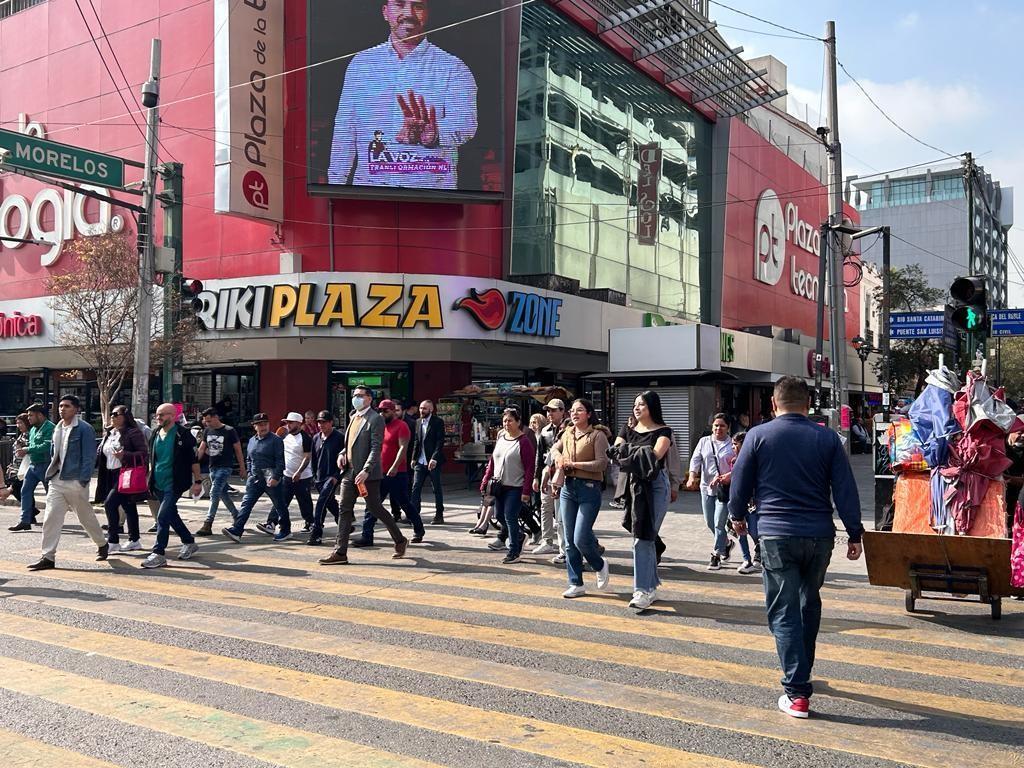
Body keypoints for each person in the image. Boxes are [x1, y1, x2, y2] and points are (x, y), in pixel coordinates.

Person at [727, 376, 864, 719]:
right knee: (808, 603)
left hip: (775, 536)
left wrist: (736, 518)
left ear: (774, 404)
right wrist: (855, 533)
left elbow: (739, 485)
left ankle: (797, 691)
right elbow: (845, 489)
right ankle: (800, 673)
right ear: (808, 405)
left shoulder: (758, 436)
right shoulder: (828, 438)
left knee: (783, 611)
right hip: (819, 536)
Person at [328, 0, 478, 190]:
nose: (408, 13)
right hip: (369, 194)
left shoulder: (453, 68)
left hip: (430, 197)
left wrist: (434, 134)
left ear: (427, 13)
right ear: (385, 12)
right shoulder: (361, 65)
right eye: (399, 4)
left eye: (418, 6)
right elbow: (345, 130)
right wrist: (335, 186)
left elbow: (466, 124)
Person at [319, 386, 409, 565]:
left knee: (375, 508)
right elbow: (349, 443)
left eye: (360, 396)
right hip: (349, 472)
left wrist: (366, 470)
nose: (356, 398)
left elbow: (376, 448)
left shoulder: (375, 419)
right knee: (345, 509)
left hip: (367, 475)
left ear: (369, 398)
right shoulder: (353, 417)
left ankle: (399, 539)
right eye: (354, 395)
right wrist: (342, 454)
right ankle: (340, 552)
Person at [609, 391, 672, 612]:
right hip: (634, 486)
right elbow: (616, 453)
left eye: (642, 405)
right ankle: (650, 587)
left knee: (643, 537)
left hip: (655, 486)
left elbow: (654, 456)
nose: (637, 408)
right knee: (645, 536)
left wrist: (628, 451)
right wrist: (633, 452)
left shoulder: (664, 431)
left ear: (652, 407)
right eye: (635, 404)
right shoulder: (627, 429)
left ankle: (642, 590)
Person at [28, 395, 107, 570]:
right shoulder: (58, 428)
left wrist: (83, 480)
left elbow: (89, 456)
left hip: (76, 480)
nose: (62, 409)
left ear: (77, 409)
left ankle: (102, 543)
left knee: (85, 517)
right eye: (61, 406)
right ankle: (47, 557)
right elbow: (53, 453)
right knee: (50, 518)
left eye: (67, 406)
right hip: (57, 480)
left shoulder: (84, 429)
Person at [549, 399, 610, 597]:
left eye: (580, 410)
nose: (575, 414)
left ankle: (599, 564)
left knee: (581, 538)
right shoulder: (567, 432)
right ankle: (576, 583)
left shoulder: (597, 435)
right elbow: (554, 449)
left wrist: (575, 465)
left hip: (589, 489)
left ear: (589, 414)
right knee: (568, 539)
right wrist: (559, 458)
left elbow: (602, 464)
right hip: (568, 488)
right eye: (573, 411)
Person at [140, 403, 203, 569]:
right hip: (158, 482)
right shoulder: (155, 434)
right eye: (157, 415)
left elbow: (194, 461)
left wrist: (198, 482)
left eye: (162, 415)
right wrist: (148, 478)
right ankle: (189, 541)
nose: (158, 418)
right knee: (171, 514)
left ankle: (159, 553)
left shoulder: (184, 435)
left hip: (174, 483)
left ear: (173, 416)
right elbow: (153, 459)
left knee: (162, 516)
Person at [356, 399, 424, 546]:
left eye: (385, 411)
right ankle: (367, 536)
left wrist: (394, 466)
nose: (382, 413)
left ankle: (419, 529)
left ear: (393, 411)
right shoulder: (379, 426)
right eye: (380, 411)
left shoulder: (402, 426)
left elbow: (403, 448)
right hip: (379, 472)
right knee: (373, 504)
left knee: (404, 502)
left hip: (397, 473)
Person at [479, 408, 536, 565]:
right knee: (499, 516)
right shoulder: (501, 438)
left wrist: (526, 490)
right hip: (499, 486)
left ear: (518, 422)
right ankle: (519, 535)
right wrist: (485, 480)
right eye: (504, 421)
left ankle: (514, 551)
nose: (506, 424)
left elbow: (530, 467)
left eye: (510, 420)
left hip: (515, 486)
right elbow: (492, 462)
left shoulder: (524, 442)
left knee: (510, 516)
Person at [223, 413, 288, 543]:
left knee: (279, 505)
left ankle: (286, 530)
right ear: (254, 427)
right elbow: (249, 459)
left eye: (265, 424)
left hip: (270, 475)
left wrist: (276, 476)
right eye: (260, 425)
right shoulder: (252, 440)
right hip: (255, 478)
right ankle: (237, 530)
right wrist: (249, 472)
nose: (263, 427)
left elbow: (280, 461)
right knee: (246, 504)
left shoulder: (276, 440)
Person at [687, 413, 736, 570]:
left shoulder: (732, 445)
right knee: (710, 522)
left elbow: (740, 464)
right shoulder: (704, 441)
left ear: (728, 428)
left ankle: (716, 555)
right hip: (707, 487)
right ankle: (727, 544)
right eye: (716, 425)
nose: (718, 428)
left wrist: (728, 476)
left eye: (722, 425)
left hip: (725, 488)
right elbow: (695, 459)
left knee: (718, 523)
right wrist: (692, 477)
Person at [98, 406, 149, 553]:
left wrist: (125, 455)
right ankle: (134, 540)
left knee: (110, 504)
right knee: (128, 506)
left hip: (125, 473)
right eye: (111, 414)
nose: (112, 417)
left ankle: (113, 540)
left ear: (125, 417)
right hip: (110, 473)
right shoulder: (110, 433)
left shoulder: (133, 432)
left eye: (116, 414)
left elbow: (143, 453)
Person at [258, 412, 315, 536]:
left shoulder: (305, 438)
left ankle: (310, 522)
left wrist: (299, 472)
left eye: (290, 422)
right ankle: (271, 523)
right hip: (286, 475)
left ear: (299, 423)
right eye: (287, 422)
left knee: (304, 501)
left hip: (302, 477)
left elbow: (307, 457)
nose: (287, 425)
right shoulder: (286, 436)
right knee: (280, 501)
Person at [195, 407, 245, 536]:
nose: (207, 423)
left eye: (209, 421)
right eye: (206, 421)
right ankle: (237, 516)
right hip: (213, 467)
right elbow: (202, 449)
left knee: (214, 492)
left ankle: (208, 523)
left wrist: (242, 467)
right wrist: (194, 463)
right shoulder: (207, 431)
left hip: (225, 467)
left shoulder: (229, 431)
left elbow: (238, 450)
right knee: (222, 494)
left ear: (216, 417)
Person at [9, 403, 53, 531]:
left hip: (46, 465)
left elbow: (47, 446)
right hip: (33, 465)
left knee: (50, 495)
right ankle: (25, 521)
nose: (28, 418)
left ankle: (52, 520)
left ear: (40, 415)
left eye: (31, 415)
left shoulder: (50, 427)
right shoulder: (33, 429)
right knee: (25, 491)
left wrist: (27, 449)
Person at [533, 398, 566, 559]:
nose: (550, 413)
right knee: (545, 508)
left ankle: (564, 548)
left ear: (562, 411)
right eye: (548, 411)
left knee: (561, 514)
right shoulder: (545, 431)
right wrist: (536, 477)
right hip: (547, 474)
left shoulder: (568, 429)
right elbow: (539, 456)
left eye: (553, 410)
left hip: (563, 476)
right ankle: (547, 540)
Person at [722, 431, 759, 574]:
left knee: (755, 531)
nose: (733, 447)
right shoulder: (734, 461)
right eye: (732, 444)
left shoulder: (755, 460)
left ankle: (759, 552)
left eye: (735, 444)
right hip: (739, 502)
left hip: (754, 502)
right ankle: (746, 560)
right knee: (740, 532)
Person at [308, 410, 344, 546]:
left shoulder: (339, 438)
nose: (321, 425)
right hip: (319, 478)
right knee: (330, 502)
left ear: (331, 423)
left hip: (332, 477)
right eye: (319, 422)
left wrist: (336, 477)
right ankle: (344, 523)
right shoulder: (316, 438)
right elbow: (314, 458)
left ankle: (316, 533)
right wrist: (313, 475)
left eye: (324, 422)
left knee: (321, 504)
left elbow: (344, 458)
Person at [1, 414, 41, 527]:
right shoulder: (21, 435)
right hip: (17, 467)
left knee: (20, 489)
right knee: (21, 490)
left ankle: (30, 513)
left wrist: (24, 446)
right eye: (17, 423)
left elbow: (32, 447)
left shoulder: (31, 434)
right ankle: (31, 513)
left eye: (21, 423)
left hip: (26, 467)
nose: (18, 425)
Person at [410, 399, 446, 524]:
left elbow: (440, 442)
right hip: (420, 460)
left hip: (432, 461)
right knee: (415, 488)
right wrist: (414, 458)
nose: (421, 410)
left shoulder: (438, 422)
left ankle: (439, 514)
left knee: (436, 488)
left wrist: (434, 458)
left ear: (431, 409)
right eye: (420, 408)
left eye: (424, 408)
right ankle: (414, 514)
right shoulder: (418, 422)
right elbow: (416, 441)